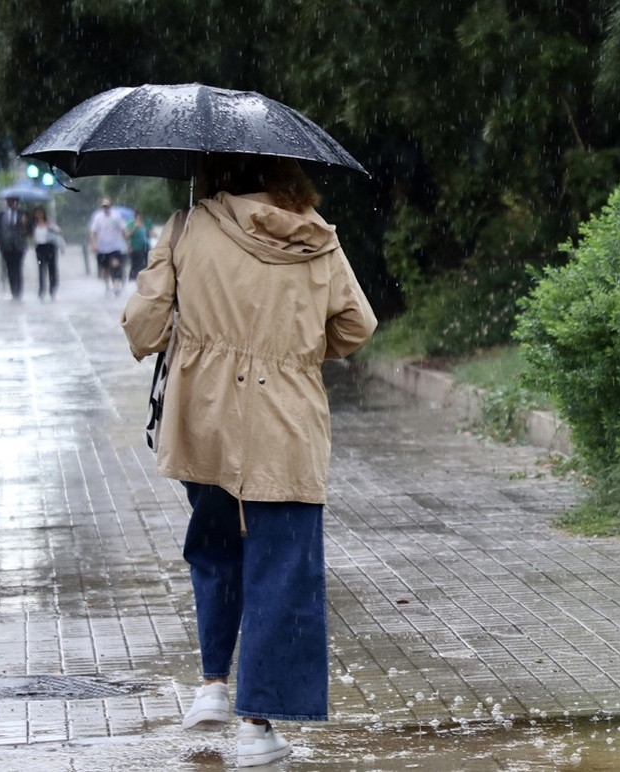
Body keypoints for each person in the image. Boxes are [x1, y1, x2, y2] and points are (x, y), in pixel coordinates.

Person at [121, 153, 377, 768]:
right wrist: (294, 350)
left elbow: (142, 330)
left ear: (215, 171)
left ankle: (212, 684)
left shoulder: (186, 227)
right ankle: (256, 728)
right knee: (281, 569)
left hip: (204, 420)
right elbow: (356, 326)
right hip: (285, 426)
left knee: (215, 550)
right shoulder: (315, 238)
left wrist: (192, 316)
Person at [89, 197, 128, 296]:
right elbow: (93, 232)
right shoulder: (98, 217)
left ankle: (116, 285)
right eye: (104, 206)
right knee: (105, 268)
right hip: (102, 248)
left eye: (107, 206)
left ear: (111, 206)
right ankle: (107, 286)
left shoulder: (116, 216)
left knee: (115, 265)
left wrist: (127, 243)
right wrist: (93, 244)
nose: (106, 208)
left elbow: (123, 230)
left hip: (115, 246)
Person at [0, 196, 30, 300]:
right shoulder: (1, 215)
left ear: (16, 202)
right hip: (6, 246)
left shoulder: (22, 214)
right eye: (9, 201)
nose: (11, 203)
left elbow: (28, 229)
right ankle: (13, 291)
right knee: (10, 269)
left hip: (19, 246)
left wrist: (25, 223)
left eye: (13, 201)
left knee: (18, 268)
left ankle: (19, 291)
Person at [31, 207, 63, 300]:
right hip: (40, 248)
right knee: (41, 269)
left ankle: (53, 289)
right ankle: (42, 290)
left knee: (52, 269)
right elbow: (30, 235)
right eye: (37, 213)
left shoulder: (49, 223)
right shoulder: (33, 225)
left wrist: (51, 226)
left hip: (50, 247)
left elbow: (59, 231)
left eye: (40, 213)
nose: (38, 215)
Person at [126, 212, 150, 282]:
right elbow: (127, 235)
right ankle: (132, 281)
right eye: (138, 218)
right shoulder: (131, 223)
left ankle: (143, 281)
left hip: (145, 248)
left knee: (145, 266)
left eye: (141, 218)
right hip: (135, 248)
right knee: (135, 266)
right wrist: (135, 227)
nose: (139, 220)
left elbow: (147, 235)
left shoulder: (145, 224)